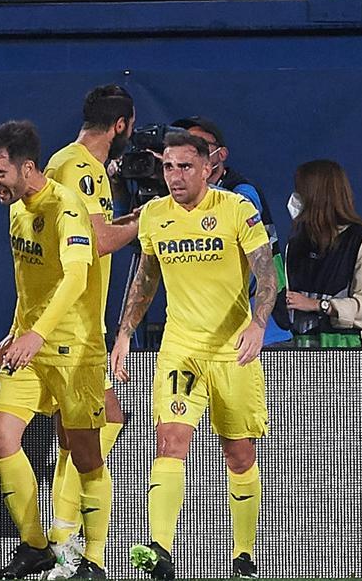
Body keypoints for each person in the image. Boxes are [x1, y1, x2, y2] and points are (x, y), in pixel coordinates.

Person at [110, 132, 278, 580]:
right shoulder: (154, 216)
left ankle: (244, 554)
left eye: (185, 166)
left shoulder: (236, 211)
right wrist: (124, 333)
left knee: (239, 455)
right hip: (180, 349)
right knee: (170, 441)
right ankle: (159, 549)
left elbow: (266, 274)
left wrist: (258, 324)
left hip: (232, 352)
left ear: (208, 168)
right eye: (168, 166)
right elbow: (145, 279)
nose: (175, 176)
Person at [0, 120, 110, 580]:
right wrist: (16, 331)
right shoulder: (17, 207)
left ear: (28, 167)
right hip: (30, 347)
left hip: (74, 348)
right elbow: (29, 284)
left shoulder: (66, 207)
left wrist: (36, 334)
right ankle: (36, 545)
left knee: (85, 453)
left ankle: (94, 558)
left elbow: (76, 277)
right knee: (0, 436)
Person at [39, 85, 139, 577]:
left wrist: (132, 218)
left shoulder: (65, 162)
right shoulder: (84, 168)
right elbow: (99, 241)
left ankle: (63, 542)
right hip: (75, 322)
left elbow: (92, 228)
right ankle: (66, 545)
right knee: (96, 427)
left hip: (69, 318)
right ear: (120, 124)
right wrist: (150, 223)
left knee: (78, 432)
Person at [173, 116, 292, 347]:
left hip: (262, 332)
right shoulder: (181, 197)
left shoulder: (242, 191)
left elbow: (228, 215)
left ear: (221, 154)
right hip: (213, 330)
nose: (192, 155)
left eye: (201, 147)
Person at [284, 159, 362, 348]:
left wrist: (318, 305)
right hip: (304, 354)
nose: (295, 198)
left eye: (300, 192)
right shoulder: (295, 245)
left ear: (317, 197)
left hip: (352, 353)